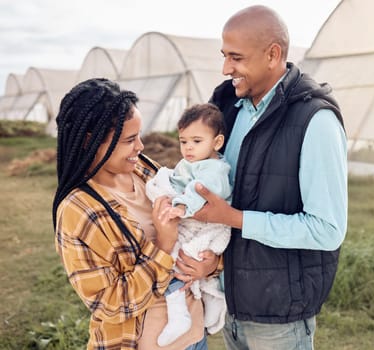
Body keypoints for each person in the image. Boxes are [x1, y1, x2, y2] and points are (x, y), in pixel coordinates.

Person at [191, 5, 348, 350]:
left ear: (273, 54)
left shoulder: (315, 121)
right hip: (230, 304)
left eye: (236, 57)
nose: (225, 68)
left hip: (281, 320)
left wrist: (233, 218)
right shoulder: (226, 107)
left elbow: (327, 230)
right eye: (224, 56)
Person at [52, 78, 218, 350]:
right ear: (90, 142)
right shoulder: (78, 212)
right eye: (129, 140)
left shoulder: (144, 171)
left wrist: (211, 265)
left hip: (194, 336)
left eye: (139, 135)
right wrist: (163, 247)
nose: (140, 147)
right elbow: (111, 304)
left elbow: (196, 229)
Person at [145, 103, 232, 346]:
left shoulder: (215, 169)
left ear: (216, 143)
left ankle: (179, 314)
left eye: (196, 141)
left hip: (208, 226)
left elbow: (199, 191)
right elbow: (179, 180)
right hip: (193, 219)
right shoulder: (191, 163)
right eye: (184, 141)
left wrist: (181, 206)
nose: (188, 148)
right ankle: (181, 310)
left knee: (177, 260)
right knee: (172, 259)